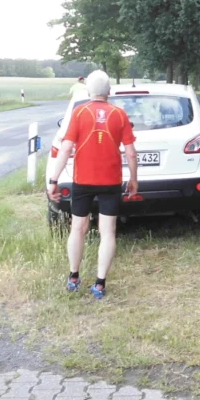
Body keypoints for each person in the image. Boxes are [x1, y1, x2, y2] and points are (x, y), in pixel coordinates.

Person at [46, 70, 138, 299]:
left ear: (88, 90)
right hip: (110, 181)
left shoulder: (80, 112)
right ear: (109, 91)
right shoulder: (119, 114)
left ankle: (73, 277)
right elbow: (131, 152)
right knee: (108, 232)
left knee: (78, 228)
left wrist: (54, 180)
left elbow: (66, 148)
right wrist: (134, 179)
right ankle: (99, 284)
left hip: (82, 180)